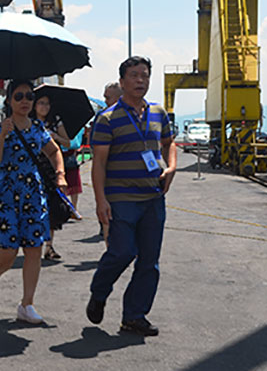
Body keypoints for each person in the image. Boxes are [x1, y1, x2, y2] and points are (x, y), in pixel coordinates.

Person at [86, 56, 177, 336]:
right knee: (122, 252)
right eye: (135, 75)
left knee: (149, 261)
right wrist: (100, 201)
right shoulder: (107, 118)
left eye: (145, 76)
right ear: (122, 81)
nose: (141, 81)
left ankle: (134, 316)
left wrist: (171, 168)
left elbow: (168, 144)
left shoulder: (158, 113)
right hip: (121, 199)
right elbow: (98, 163)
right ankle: (99, 291)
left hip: (153, 197)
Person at [0, 79, 66, 324]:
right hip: (6, 191)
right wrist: (3, 136)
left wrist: (60, 174)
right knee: (7, 251)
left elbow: (53, 151)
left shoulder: (38, 128)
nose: (25, 101)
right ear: (8, 100)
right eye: (19, 96)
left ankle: (27, 304)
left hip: (32, 191)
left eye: (29, 96)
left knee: (34, 248)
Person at [29, 94, 71, 260]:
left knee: (51, 207)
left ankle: (49, 246)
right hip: (34, 167)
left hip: (51, 168)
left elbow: (67, 142)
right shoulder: (29, 122)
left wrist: (55, 137)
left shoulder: (55, 121)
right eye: (40, 103)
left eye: (47, 103)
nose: (44, 107)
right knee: (35, 206)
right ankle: (34, 241)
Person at [90, 81, 123, 236]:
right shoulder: (101, 117)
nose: (105, 102)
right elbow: (93, 146)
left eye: (108, 98)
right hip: (107, 172)